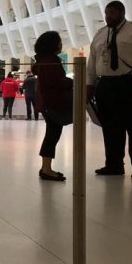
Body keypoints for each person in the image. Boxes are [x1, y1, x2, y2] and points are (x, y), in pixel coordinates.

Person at [87, 0, 132, 179]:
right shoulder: (100, 34)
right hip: (106, 85)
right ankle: (113, 165)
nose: (108, 16)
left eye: (112, 13)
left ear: (121, 13)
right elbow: (92, 62)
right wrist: (89, 85)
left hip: (131, 83)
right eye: (106, 13)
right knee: (110, 127)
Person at [32, 31, 73, 181]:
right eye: (59, 41)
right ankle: (47, 169)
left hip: (47, 103)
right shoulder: (50, 61)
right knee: (52, 135)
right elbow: (56, 82)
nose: (61, 44)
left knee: (52, 134)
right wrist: (72, 82)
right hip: (53, 103)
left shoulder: (43, 61)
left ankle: (46, 167)